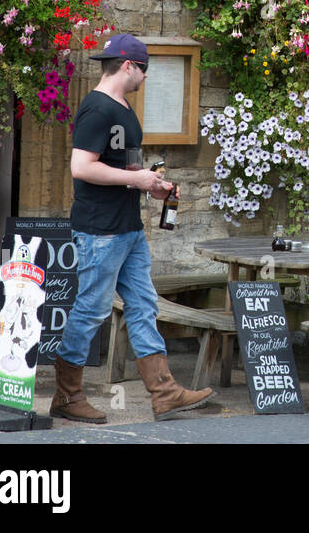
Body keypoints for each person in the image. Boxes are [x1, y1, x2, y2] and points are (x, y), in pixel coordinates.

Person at [52, 33, 214, 423]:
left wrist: (150, 184)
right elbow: (82, 167)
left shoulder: (123, 108)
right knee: (91, 311)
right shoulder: (98, 109)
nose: (145, 78)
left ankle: (165, 393)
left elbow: (121, 168)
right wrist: (137, 180)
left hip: (126, 229)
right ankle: (67, 395)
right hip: (100, 231)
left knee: (143, 306)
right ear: (128, 66)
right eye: (144, 69)